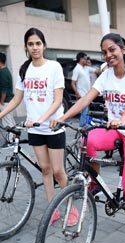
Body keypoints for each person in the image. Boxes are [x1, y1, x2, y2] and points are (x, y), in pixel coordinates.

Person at [50, 33, 125, 243]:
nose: (108, 55)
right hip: (115, 128)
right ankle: (95, 181)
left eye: (112, 50)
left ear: (123, 49)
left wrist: (123, 119)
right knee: (89, 139)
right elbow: (86, 99)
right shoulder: (105, 76)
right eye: (104, 52)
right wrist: (62, 117)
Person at [0, 27, 78, 225]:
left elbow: (58, 100)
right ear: (26, 47)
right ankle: (53, 208)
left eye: (38, 43)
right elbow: (17, 99)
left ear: (44, 45)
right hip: (35, 129)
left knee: (59, 171)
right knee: (45, 169)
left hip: (52, 127)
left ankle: (71, 206)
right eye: (30, 44)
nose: (35, 47)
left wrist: (40, 119)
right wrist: (1, 114)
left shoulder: (53, 67)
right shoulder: (24, 69)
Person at [71, 52, 100, 126]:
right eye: (86, 59)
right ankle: (82, 127)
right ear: (81, 59)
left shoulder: (86, 68)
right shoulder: (77, 69)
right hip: (82, 94)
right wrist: (77, 93)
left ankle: (83, 126)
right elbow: (73, 83)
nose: (87, 60)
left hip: (87, 94)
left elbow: (97, 71)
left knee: (85, 112)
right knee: (85, 111)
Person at [0, 52, 16, 141]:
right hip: (8, 100)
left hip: (5, 101)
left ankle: (11, 139)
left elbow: (4, 89)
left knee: (7, 121)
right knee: (10, 120)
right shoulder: (5, 71)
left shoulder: (2, 72)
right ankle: (14, 137)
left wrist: (1, 103)